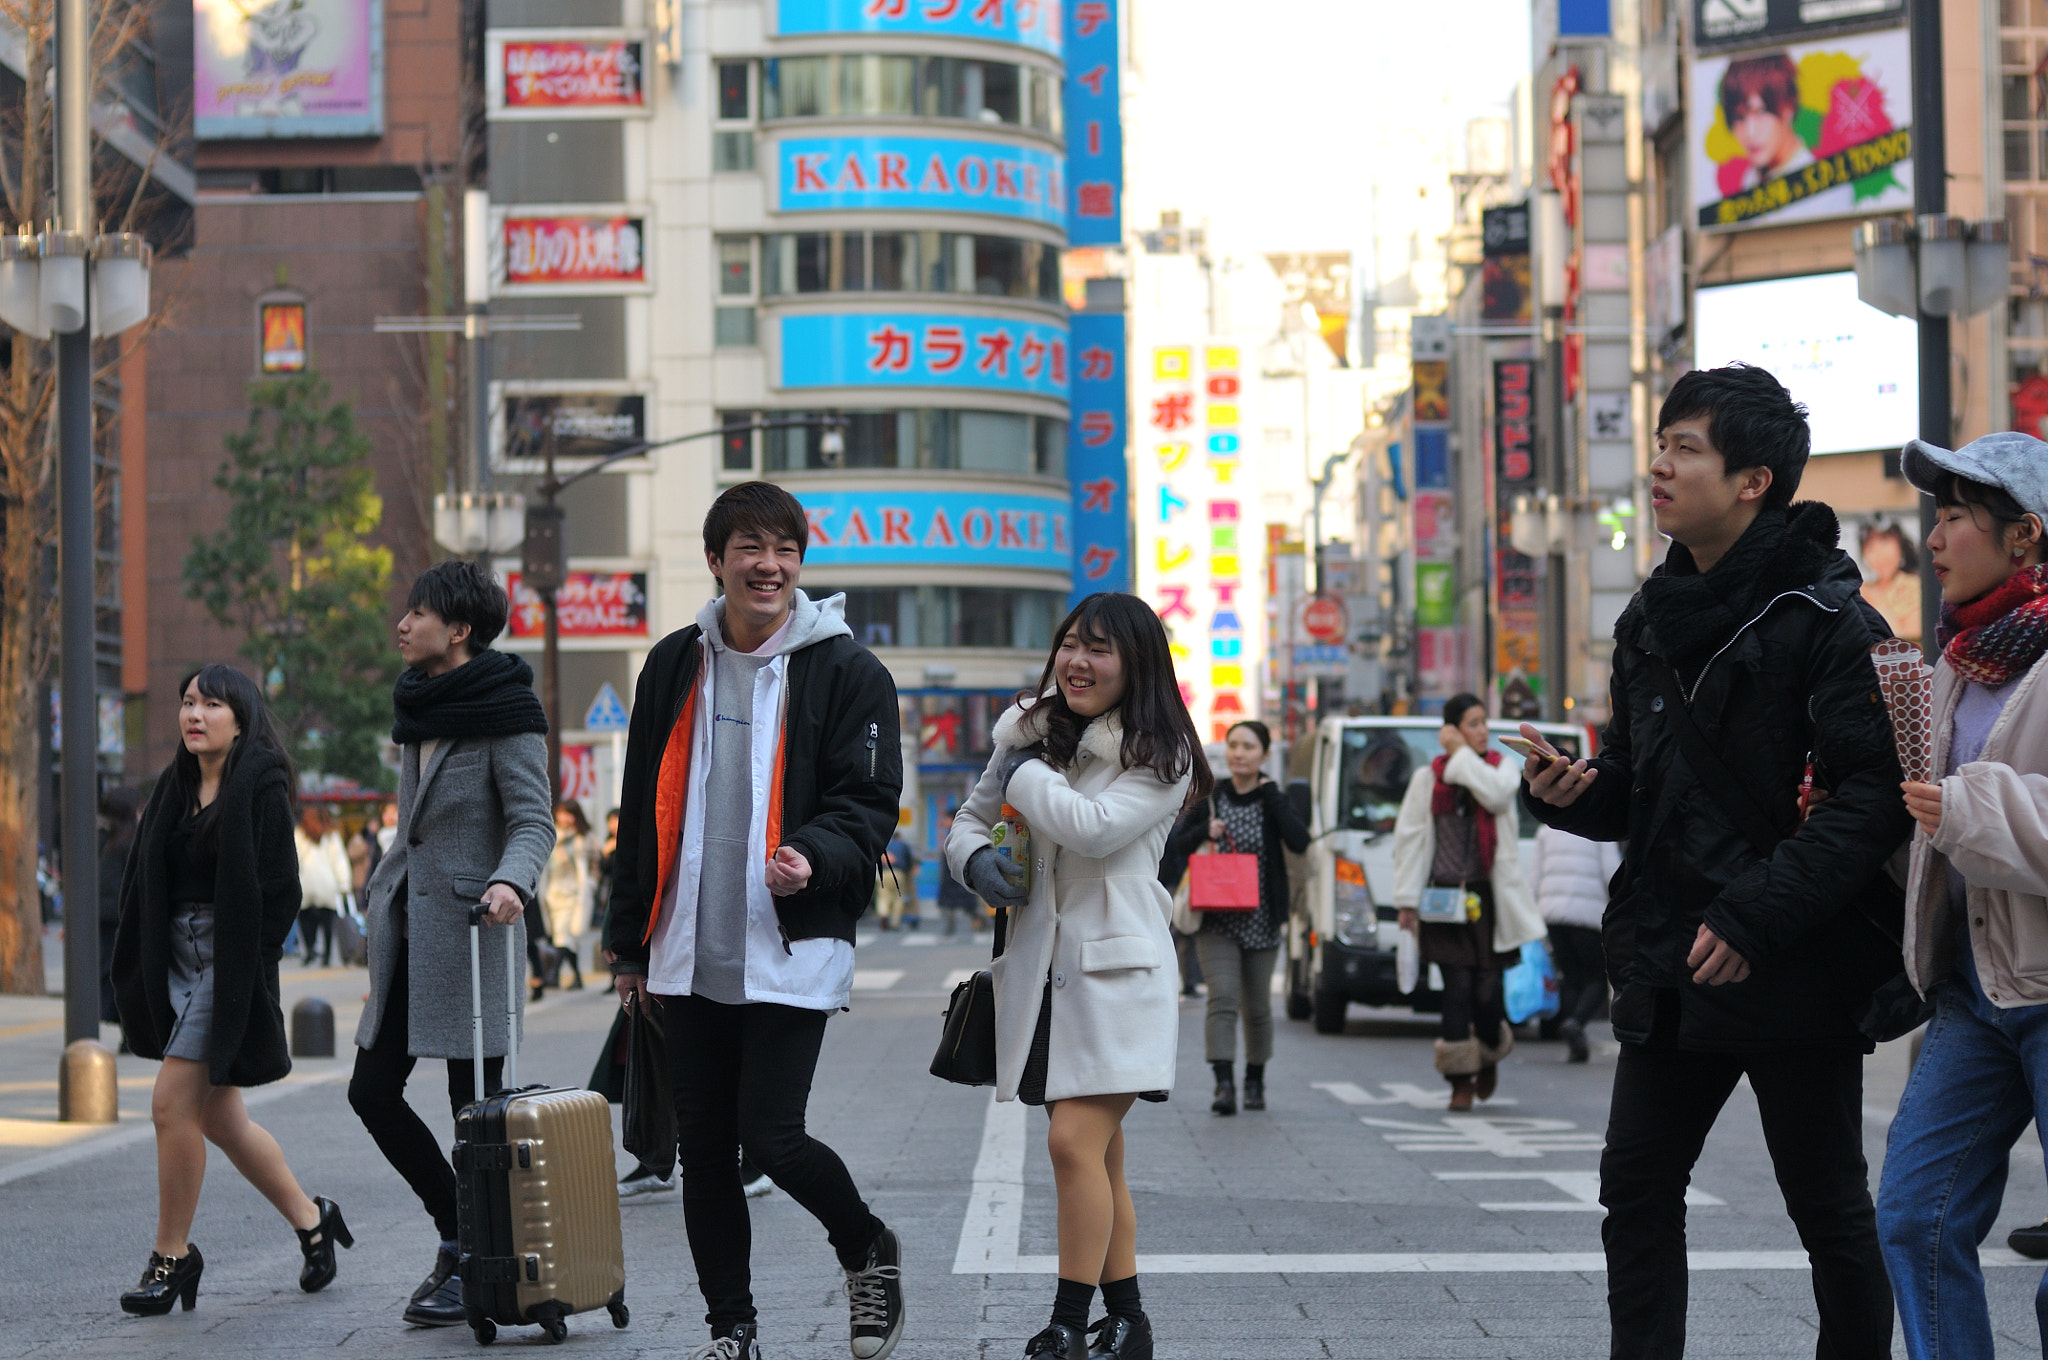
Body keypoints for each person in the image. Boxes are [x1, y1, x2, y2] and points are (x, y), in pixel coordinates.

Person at [1521, 363, 1912, 1359]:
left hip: (1788, 955)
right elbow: (1644, 787)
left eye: (1683, 447)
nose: (1656, 465)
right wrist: (1577, 789)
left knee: (1825, 1205)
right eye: (1658, 441)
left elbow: (1868, 801)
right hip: (1666, 955)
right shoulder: (1648, 620)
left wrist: (1751, 915)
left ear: (1751, 480)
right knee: (1635, 1192)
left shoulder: (1827, 621)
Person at [605, 481, 906, 1360]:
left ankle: (864, 1246)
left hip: (792, 943)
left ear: (799, 565)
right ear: (717, 560)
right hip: (687, 947)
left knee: (772, 1137)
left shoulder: (848, 671)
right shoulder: (673, 664)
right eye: (749, 548)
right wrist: (629, 945)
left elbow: (870, 802)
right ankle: (731, 1328)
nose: (767, 565)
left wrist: (813, 852)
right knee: (703, 1149)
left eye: (784, 550)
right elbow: (641, 810)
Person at [946, 591, 1211, 1360]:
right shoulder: (1030, 735)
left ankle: (1067, 1321)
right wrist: (978, 863)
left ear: (1137, 666)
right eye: (1071, 643)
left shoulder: (1162, 756)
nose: (1078, 661)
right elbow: (968, 818)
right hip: (1044, 971)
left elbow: (1090, 831)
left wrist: (1025, 771)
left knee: (1070, 1143)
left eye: (1100, 650)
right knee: (1100, 1154)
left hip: (1120, 974)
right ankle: (1127, 1322)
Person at [1873, 433, 2048, 1357]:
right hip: (1976, 993)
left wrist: (1964, 806)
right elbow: (1943, 841)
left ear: (2024, 538)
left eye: (1952, 518)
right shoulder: (1952, 665)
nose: (1932, 537)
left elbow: (1976, 817)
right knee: (1913, 1218)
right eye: (1933, 517)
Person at [347, 559, 555, 1329]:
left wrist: (512, 881)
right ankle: (457, 1229)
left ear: (458, 629)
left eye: (418, 613)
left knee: (473, 1113)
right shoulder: (418, 706)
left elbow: (535, 819)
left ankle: (480, 1263)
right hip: (407, 934)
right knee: (371, 1091)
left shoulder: (506, 710)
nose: (403, 624)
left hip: (475, 933)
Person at [111, 664, 348, 1314]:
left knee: (169, 1106)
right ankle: (312, 1219)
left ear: (241, 717)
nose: (195, 714)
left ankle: (173, 1256)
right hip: (176, 959)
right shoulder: (174, 786)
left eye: (211, 703)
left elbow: (282, 891)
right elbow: (143, 883)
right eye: (187, 701)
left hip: (228, 962)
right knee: (220, 1116)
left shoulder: (260, 783)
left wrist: (248, 968)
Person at [1391, 692, 1546, 1111]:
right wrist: (1406, 902)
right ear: (1453, 730)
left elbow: (1495, 797)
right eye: (1472, 724)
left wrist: (1461, 757)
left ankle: (1490, 1048)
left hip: (1488, 900)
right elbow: (1410, 842)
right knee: (1456, 990)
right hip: (1442, 900)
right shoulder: (1428, 779)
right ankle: (1460, 1079)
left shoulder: (1502, 770)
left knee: (1486, 993)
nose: (1483, 731)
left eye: (1483, 723)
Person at [1163, 719, 1308, 1115]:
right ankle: (1223, 1084)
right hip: (1216, 918)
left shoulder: (1272, 798)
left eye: (1248, 747)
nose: (1239, 753)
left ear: (1263, 754)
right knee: (1223, 998)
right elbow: (1174, 844)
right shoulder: (1212, 797)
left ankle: (1255, 1080)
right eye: (1233, 746)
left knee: (1258, 1007)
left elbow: (1300, 839)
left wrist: (1272, 795)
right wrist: (1203, 833)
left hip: (1262, 918)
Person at [1529, 824, 1618, 1063]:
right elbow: (1612, 874)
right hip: (1587, 915)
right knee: (1597, 980)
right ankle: (1575, 1023)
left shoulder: (1545, 830)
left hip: (1553, 915)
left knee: (1570, 977)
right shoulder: (1600, 825)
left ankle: (1571, 1037)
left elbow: (1534, 878)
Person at [99, 786, 144, 1026]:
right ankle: (126, 1024)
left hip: (104, 916)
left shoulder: (101, 839)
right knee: (126, 972)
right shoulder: (134, 840)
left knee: (107, 970)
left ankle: (115, 1017)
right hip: (124, 916)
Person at [541, 799, 593, 990]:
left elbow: (591, 867)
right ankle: (577, 977)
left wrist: (590, 886)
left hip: (573, 894)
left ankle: (552, 974)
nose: (565, 818)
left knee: (564, 934)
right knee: (565, 938)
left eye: (569, 814)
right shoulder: (551, 834)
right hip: (554, 893)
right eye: (562, 813)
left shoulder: (583, 837)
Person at [294, 805, 351, 968]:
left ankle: (310, 950)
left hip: (306, 882)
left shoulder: (300, 834)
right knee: (327, 922)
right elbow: (339, 860)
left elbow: (296, 858)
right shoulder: (331, 835)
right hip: (327, 883)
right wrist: (344, 883)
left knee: (306, 919)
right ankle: (326, 954)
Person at [1859, 519, 1922, 646]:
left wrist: (1878, 600)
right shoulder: (1860, 590)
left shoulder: (1915, 587)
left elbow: (1909, 639)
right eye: (1871, 548)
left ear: (1900, 545)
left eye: (1885, 543)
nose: (1879, 554)